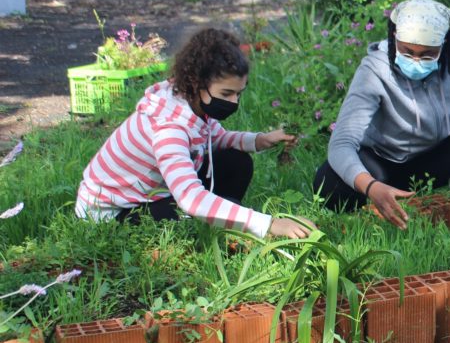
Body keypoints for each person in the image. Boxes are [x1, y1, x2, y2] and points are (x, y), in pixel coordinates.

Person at [75, 28, 311, 239]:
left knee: (236, 161)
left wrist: (261, 139)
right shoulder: (169, 128)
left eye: (239, 94)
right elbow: (190, 198)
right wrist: (268, 224)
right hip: (113, 213)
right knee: (191, 216)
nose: (234, 102)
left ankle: (226, 216)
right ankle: (228, 223)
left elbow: (216, 138)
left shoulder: (190, 101)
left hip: (155, 192)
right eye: (227, 93)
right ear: (197, 83)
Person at [312, 0, 450, 229]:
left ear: (445, 46)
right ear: (394, 38)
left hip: (432, 158)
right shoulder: (375, 69)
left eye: (427, 54)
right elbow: (341, 143)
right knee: (330, 182)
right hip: (381, 162)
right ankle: (380, 201)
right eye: (407, 51)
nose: (416, 61)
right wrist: (371, 186)